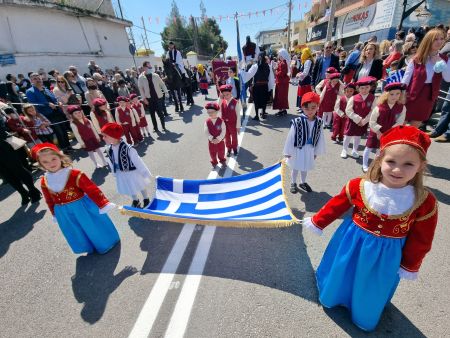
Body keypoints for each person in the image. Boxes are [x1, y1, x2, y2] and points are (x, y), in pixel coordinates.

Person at [302, 125, 438, 331]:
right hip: (351, 243)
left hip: (387, 255)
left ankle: (363, 314)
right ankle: (334, 296)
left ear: (420, 166)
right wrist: (318, 221)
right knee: (343, 271)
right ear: (380, 159)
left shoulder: (423, 201)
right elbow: (336, 205)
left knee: (373, 285)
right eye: (391, 161)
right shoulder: (360, 186)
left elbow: (422, 238)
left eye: (408, 164)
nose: (397, 170)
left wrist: (410, 264)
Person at [33, 143, 119, 254]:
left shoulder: (74, 174)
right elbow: (49, 199)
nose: (50, 163)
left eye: (53, 159)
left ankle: (105, 243)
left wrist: (103, 203)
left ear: (60, 157)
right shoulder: (44, 180)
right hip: (62, 211)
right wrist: (54, 213)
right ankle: (87, 247)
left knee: (91, 226)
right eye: (45, 162)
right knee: (75, 230)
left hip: (81, 207)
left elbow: (92, 189)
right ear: (40, 164)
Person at [402, 28, 450, 127]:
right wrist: (401, 94)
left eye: (441, 39)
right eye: (436, 39)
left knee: (414, 127)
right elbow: (405, 79)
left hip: (428, 96)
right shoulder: (416, 58)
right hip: (410, 95)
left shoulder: (445, 59)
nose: (439, 42)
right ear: (428, 40)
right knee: (400, 124)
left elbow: (448, 78)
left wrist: (440, 63)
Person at [101, 123, 152, 208]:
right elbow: (111, 161)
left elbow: (138, 161)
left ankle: (146, 199)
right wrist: (114, 172)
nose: (103, 138)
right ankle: (136, 200)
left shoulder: (128, 148)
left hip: (132, 172)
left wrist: (144, 172)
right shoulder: (108, 149)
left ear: (113, 136)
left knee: (140, 184)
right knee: (130, 187)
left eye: (105, 136)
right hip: (121, 173)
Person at [283, 92, 325, 194]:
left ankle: (303, 182)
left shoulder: (319, 122)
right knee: (296, 166)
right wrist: (288, 151)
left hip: (310, 148)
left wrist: (316, 151)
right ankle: (293, 183)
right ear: (302, 107)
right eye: (307, 108)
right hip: (298, 149)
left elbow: (320, 137)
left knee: (305, 166)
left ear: (317, 107)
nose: (310, 111)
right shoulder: (297, 121)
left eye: (313, 108)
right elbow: (291, 137)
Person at [362, 82, 406, 172]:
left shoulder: (402, 107)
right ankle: (364, 164)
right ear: (386, 95)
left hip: (390, 133)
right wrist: (378, 132)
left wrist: (389, 132)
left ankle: (375, 164)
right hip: (376, 132)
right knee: (369, 147)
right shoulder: (379, 107)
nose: (395, 96)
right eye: (392, 94)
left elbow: (400, 121)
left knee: (381, 150)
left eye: (398, 94)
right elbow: (372, 121)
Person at [26, 73, 72, 152]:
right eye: (35, 79)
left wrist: (58, 102)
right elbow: (34, 104)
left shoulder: (45, 89)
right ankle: (64, 148)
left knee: (63, 129)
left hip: (57, 111)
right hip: (47, 114)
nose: (38, 80)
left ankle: (68, 146)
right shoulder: (30, 91)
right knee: (58, 131)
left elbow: (54, 98)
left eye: (38, 78)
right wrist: (47, 104)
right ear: (31, 81)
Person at [0, 119, 42, 206]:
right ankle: (23, 193)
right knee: (6, 175)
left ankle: (33, 190)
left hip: (2, 146)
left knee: (18, 169)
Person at [342, 76, 377, 159]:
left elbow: (373, 111)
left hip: (363, 122)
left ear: (370, 87)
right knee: (348, 136)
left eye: (367, 88)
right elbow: (348, 110)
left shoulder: (373, 98)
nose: (364, 90)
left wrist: (364, 121)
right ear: (358, 88)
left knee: (358, 136)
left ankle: (355, 150)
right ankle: (344, 149)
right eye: (362, 88)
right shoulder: (354, 98)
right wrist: (357, 119)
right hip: (353, 121)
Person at [240, 52, 273, 120]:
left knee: (256, 101)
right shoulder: (268, 66)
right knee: (264, 100)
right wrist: (270, 87)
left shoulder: (255, 66)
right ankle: (263, 114)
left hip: (257, 87)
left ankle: (257, 116)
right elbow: (271, 78)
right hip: (265, 86)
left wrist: (240, 71)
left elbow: (248, 75)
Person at [138, 61, 169, 132]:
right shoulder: (141, 77)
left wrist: (166, 92)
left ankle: (163, 127)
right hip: (149, 99)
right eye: (148, 66)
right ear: (144, 67)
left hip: (158, 97)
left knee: (160, 113)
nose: (150, 67)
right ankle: (155, 128)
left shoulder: (155, 75)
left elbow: (162, 84)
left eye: (150, 66)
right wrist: (144, 99)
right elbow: (141, 89)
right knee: (152, 115)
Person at [218, 84, 241, 157]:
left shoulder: (235, 102)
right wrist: (220, 98)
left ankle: (234, 148)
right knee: (226, 137)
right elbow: (217, 108)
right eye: (224, 95)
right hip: (224, 124)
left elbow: (238, 115)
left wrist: (238, 126)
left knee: (234, 136)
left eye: (227, 94)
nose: (226, 97)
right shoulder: (222, 101)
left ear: (231, 93)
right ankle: (228, 148)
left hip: (233, 123)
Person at [204, 102, 226, 168]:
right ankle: (214, 162)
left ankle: (222, 160)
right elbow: (206, 131)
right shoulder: (207, 121)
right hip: (211, 141)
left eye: (212, 112)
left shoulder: (221, 121)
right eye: (208, 112)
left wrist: (219, 139)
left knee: (221, 152)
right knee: (212, 153)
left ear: (216, 111)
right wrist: (211, 138)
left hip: (220, 141)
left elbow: (223, 131)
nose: (210, 114)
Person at [273, 48, 290, 116]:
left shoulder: (283, 63)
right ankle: (283, 109)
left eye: (280, 55)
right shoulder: (283, 62)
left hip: (281, 82)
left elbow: (282, 73)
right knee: (283, 96)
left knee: (280, 96)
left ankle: (281, 110)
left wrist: (276, 72)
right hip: (282, 82)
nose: (279, 57)